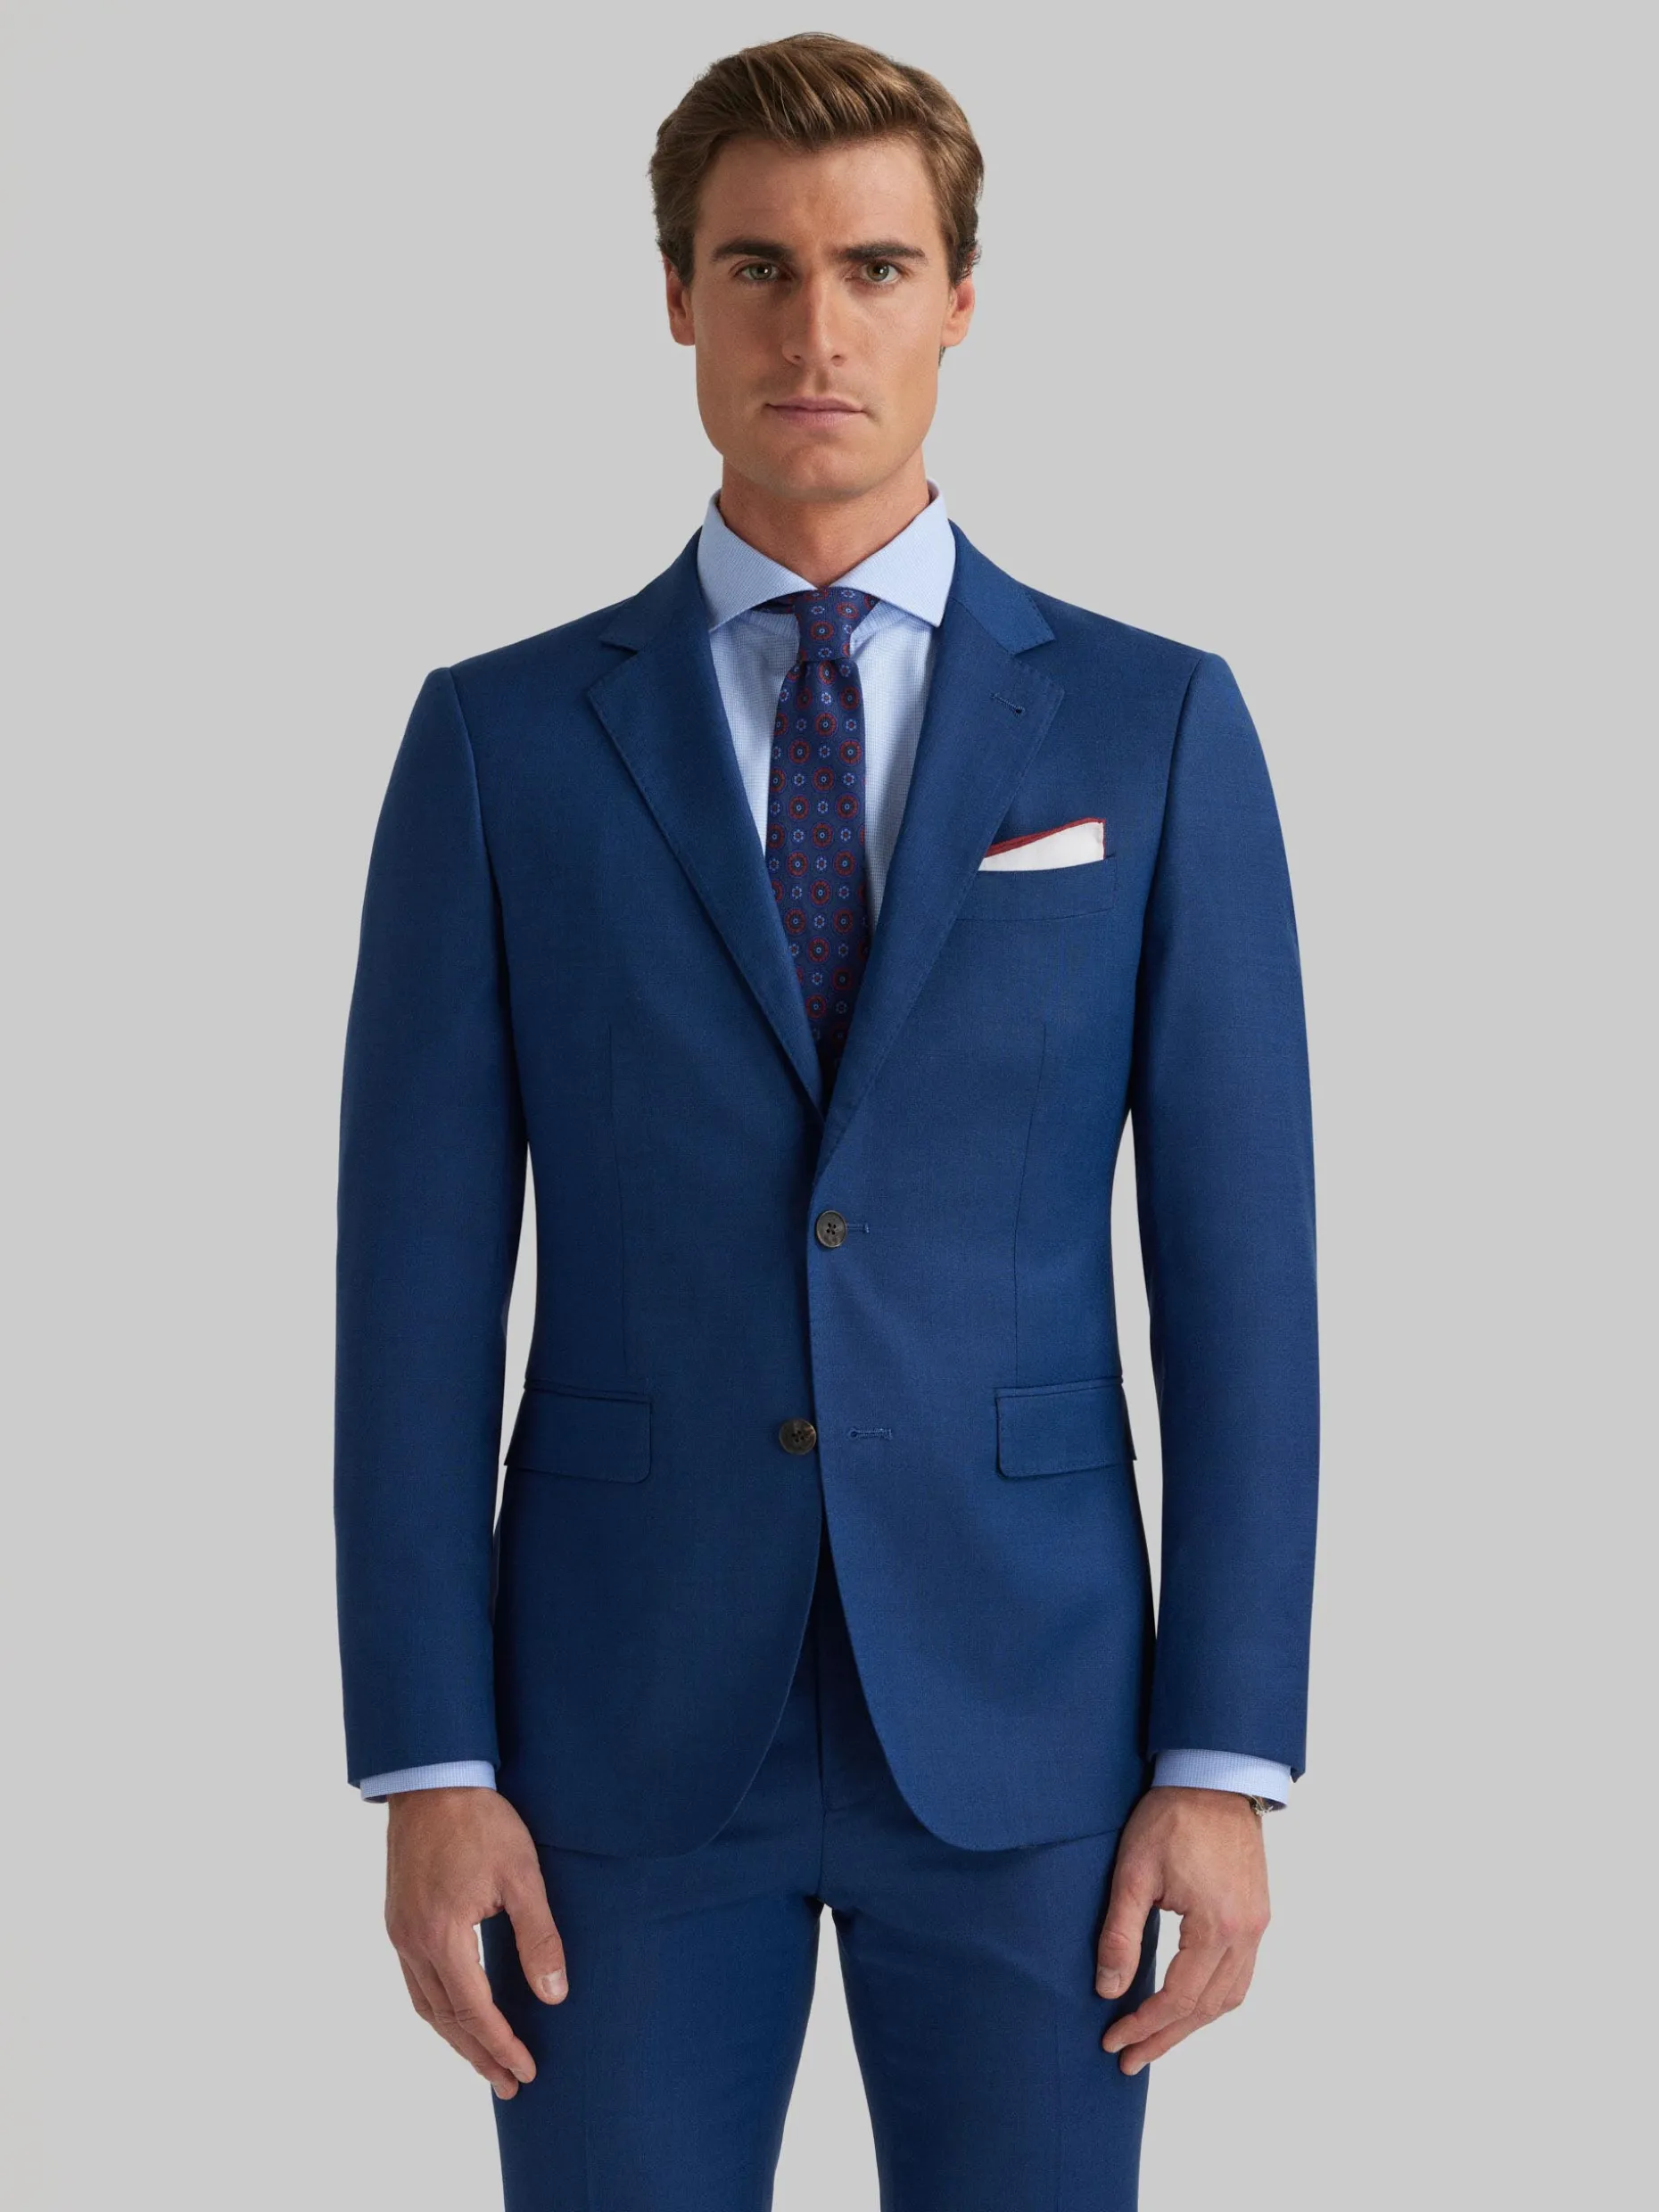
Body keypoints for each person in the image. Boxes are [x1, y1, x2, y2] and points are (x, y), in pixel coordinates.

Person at [334, 31, 1318, 2209]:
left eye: (874, 267)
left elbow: (1243, 1277)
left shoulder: (1152, 726)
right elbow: (410, 1297)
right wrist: (427, 1756)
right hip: (607, 1735)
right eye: (757, 268)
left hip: (1040, 1727)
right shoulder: (501, 744)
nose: (816, 330)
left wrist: (1226, 1750)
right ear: (676, 298)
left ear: (961, 299)